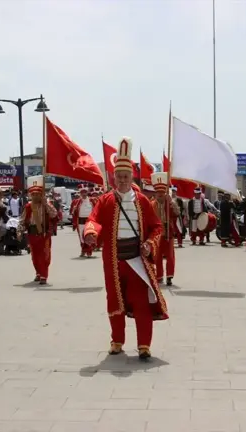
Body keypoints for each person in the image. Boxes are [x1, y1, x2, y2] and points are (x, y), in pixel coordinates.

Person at [83, 137, 168, 360]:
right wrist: (91, 234)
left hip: (137, 260)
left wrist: (150, 244)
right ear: (113, 177)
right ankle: (117, 340)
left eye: (126, 176)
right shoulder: (105, 200)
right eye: (119, 176)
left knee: (141, 302)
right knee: (114, 299)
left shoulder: (142, 201)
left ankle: (144, 345)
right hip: (113, 259)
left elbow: (157, 227)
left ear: (132, 177)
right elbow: (94, 220)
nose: (122, 180)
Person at [17, 175, 59, 284]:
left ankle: (44, 275)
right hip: (32, 234)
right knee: (35, 256)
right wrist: (19, 231)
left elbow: (54, 215)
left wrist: (46, 205)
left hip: (44, 234)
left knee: (45, 255)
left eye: (37, 194)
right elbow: (22, 220)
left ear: (41, 195)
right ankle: (38, 273)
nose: (35, 196)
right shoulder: (28, 206)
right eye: (33, 194)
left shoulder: (46, 204)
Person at [150, 172, 179, 286]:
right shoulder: (151, 204)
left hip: (168, 233)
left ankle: (169, 277)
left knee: (170, 256)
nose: (160, 195)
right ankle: (159, 276)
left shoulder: (170, 204)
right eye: (158, 193)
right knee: (157, 256)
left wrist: (171, 202)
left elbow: (177, 213)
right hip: (156, 235)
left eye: (162, 193)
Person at [72, 185, 95, 257]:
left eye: (85, 192)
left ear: (87, 192)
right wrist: (74, 210)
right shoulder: (76, 202)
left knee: (89, 236)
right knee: (81, 238)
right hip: (80, 222)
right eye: (82, 192)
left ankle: (89, 252)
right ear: (80, 193)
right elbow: (73, 213)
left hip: (89, 222)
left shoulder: (92, 201)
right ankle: (83, 250)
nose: (84, 194)